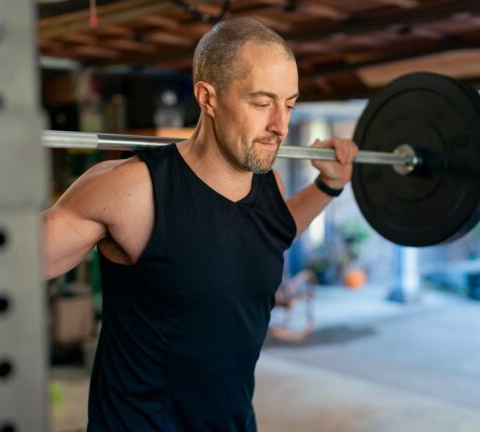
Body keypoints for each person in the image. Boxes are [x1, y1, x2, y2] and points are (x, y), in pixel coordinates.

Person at [42, 17, 359, 431]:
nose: (280, 126)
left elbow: (265, 235)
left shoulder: (268, 186)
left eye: (290, 104)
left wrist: (326, 188)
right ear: (207, 98)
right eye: (262, 104)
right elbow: (2, 265)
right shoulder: (132, 191)